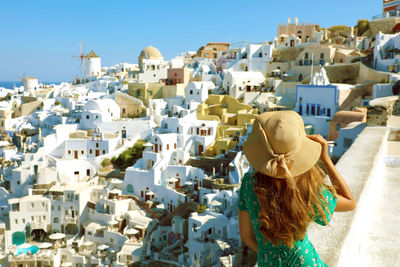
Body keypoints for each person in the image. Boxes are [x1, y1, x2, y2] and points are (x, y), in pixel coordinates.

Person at [238, 111, 356, 266]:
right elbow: (350, 203)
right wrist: (326, 159)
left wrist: (267, 254)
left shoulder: (248, 184)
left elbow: (246, 237)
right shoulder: (307, 187)